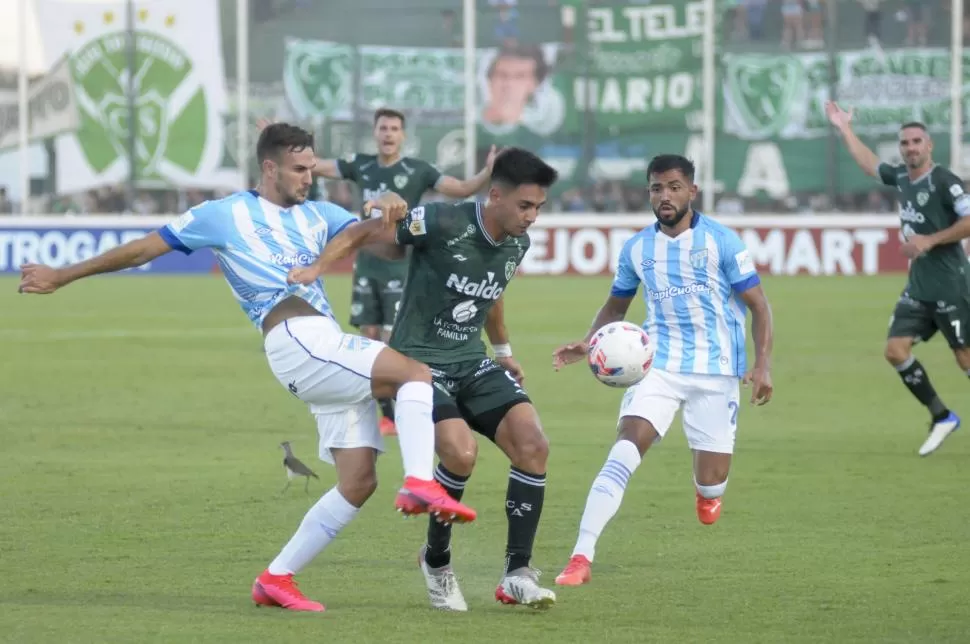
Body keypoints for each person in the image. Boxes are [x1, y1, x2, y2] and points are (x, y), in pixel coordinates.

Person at [17, 122, 477, 612]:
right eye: (299, 170)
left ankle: (276, 578)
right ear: (269, 167)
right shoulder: (224, 214)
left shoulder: (320, 213)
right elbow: (144, 248)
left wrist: (387, 203)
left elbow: (382, 242)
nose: (309, 177)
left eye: (312, 168)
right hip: (296, 340)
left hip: (322, 345)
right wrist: (64, 275)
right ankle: (419, 482)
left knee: (358, 481)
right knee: (415, 374)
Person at [289, 147, 560, 611]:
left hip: (471, 360)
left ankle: (517, 573)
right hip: (416, 366)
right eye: (525, 206)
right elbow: (370, 229)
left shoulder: (517, 242)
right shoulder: (442, 221)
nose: (532, 217)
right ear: (495, 195)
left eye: (538, 207)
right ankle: (436, 561)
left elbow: (492, 294)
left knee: (533, 443)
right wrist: (317, 268)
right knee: (460, 452)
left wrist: (504, 353)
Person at [551, 154, 774, 587]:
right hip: (658, 365)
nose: (665, 196)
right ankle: (581, 555)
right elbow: (617, 304)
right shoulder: (637, 248)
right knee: (627, 445)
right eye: (656, 188)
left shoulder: (723, 242)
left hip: (716, 370)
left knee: (712, 485)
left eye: (674, 187)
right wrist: (589, 340)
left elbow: (760, 308)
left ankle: (706, 493)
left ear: (692, 191)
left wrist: (762, 365)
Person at [261, 108, 497, 437]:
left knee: (390, 340)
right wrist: (280, 143)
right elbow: (317, 165)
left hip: (401, 266)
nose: (388, 133)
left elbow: (459, 188)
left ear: (403, 135)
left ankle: (401, 410)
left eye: (394, 128)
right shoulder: (362, 165)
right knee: (367, 335)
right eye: (383, 127)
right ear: (375, 132)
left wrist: (486, 172)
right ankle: (383, 414)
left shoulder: (418, 170)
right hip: (366, 264)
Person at [827, 101, 970, 456]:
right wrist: (845, 128)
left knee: (965, 359)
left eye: (916, 142)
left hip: (952, 286)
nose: (910, 148)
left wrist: (930, 240)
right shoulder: (902, 177)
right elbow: (869, 163)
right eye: (905, 143)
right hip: (919, 288)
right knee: (895, 350)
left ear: (929, 145)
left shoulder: (945, 182)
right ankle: (941, 415)